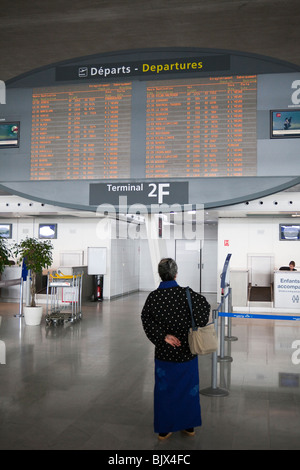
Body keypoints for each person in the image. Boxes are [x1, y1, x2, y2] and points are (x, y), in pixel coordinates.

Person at [141, 258, 210, 440]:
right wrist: (192, 323)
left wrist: (163, 336)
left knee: (165, 391)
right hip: (187, 351)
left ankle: (165, 429)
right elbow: (205, 310)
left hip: (164, 354)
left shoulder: (153, 298)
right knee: (189, 389)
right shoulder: (186, 294)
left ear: (160, 274)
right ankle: (188, 426)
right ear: (176, 274)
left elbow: (145, 319)